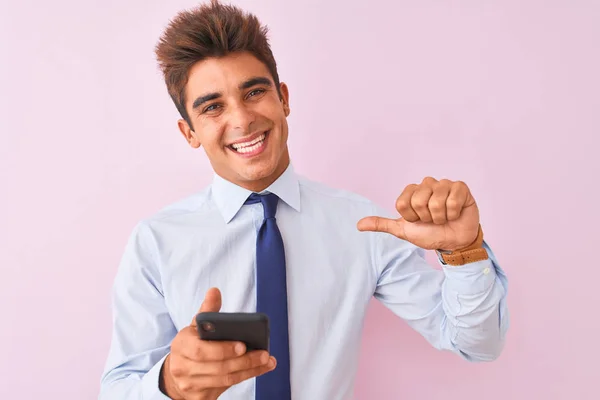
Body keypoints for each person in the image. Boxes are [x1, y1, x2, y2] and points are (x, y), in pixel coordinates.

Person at [98, 1, 509, 399]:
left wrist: (463, 253)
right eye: (213, 107)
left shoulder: (362, 225)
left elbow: (477, 343)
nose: (241, 120)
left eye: (254, 92)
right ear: (189, 133)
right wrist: (169, 384)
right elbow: (117, 390)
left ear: (284, 98)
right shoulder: (156, 241)